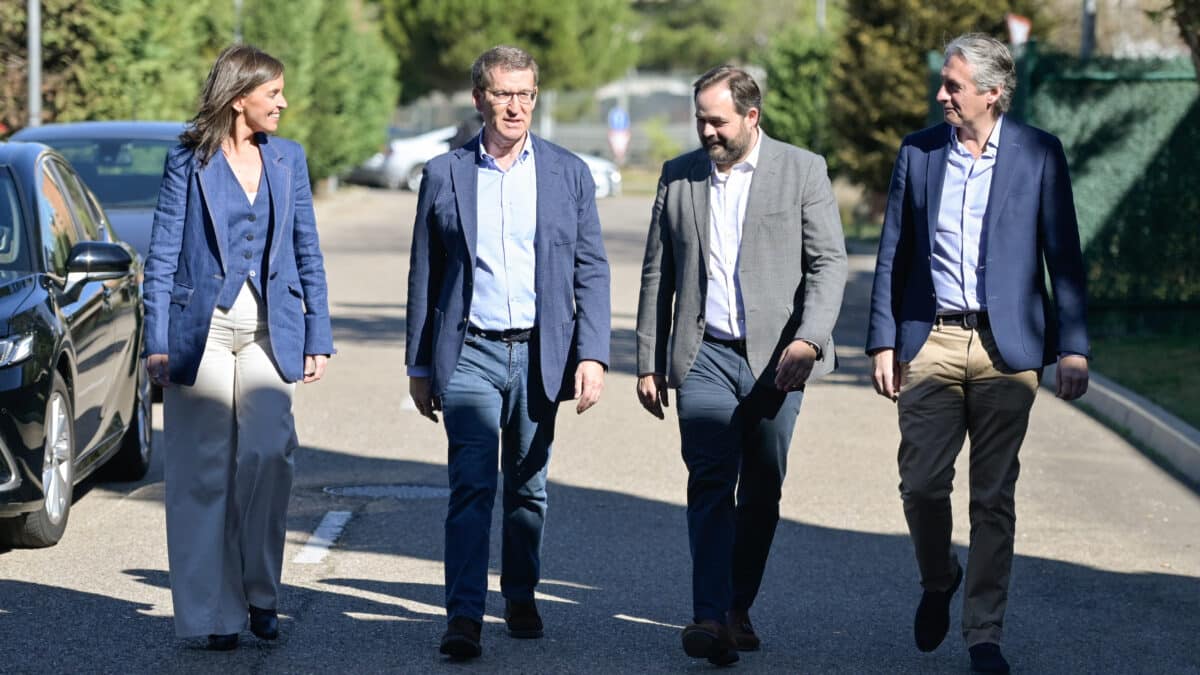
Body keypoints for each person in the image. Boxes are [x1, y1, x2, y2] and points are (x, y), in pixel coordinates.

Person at [866, 33, 1089, 675]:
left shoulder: (1040, 155)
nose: (942, 94)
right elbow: (894, 254)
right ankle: (939, 578)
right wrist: (884, 338)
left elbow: (1064, 258)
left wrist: (1071, 347)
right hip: (930, 338)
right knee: (922, 484)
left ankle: (983, 633)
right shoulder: (919, 152)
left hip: (1007, 347)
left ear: (992, 93)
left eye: (954, 85)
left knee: (993, 496)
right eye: (943, 83)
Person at [636, 65, 847, 666]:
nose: (706, 131)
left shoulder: (802, 170)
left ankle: (737, 606)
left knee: (762, 487)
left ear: (751, 118)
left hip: (778, 361)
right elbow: (659, 274)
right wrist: (649, 360)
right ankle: (708, 615)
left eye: (717, 120)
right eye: (700, 119)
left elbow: (829, 264)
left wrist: (808, 341)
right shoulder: (679, 178)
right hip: (703, 355)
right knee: (707, 480)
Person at [405, 45, 611, 660]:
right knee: (471, 484)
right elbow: (425, 271)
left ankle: (520, 593)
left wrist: (592, 354)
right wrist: (418, 365)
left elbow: (591, 269)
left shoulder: (568, 172)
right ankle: (464, 615)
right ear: (479, 99)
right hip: (469, 351)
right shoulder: (444, 173)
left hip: (542, 354)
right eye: (502, 93)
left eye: (524, 93)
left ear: (536, 97)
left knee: (528, 486)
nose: (514, 105)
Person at [142, 44, 333, 651]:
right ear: (238, 97)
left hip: (269, 329)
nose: (282, 102)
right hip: (200, 330)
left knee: (268, 453)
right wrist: (156, 339)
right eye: (273, 92)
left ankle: (260, 591)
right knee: (202, 476)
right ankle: (213, 617)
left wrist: (319, 332)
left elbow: (307, 247)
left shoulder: (288, 159)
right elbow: (164, 250)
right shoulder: (188, 158)